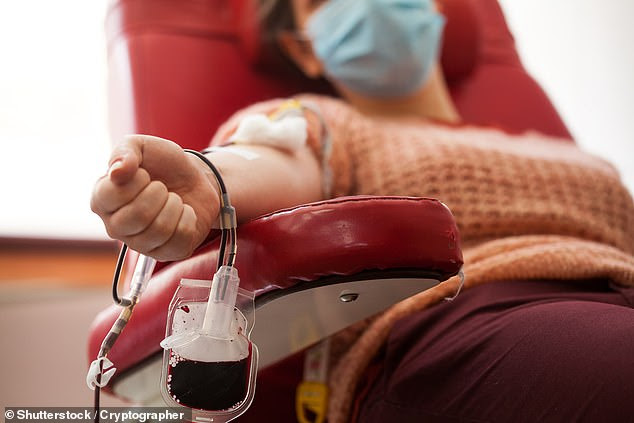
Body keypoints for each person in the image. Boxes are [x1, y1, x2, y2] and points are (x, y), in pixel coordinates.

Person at [91, 0, 634, 421]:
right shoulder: (325, 122)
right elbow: (270, 154)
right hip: (468, 323)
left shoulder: (561, 148)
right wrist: (208, 178)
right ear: (304, 48)